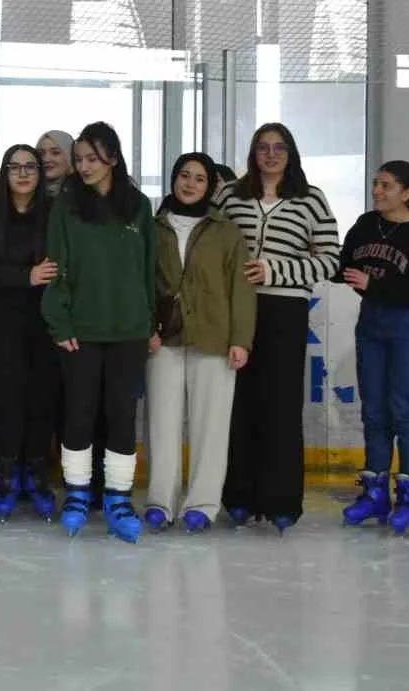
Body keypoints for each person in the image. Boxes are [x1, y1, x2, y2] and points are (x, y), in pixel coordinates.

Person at [216, 122, 339, 531]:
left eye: (279, 148)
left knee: (282, 405)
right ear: (253, 153)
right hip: (239, 311)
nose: (271, 154)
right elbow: (212, 245)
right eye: (263, 147)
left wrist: (276, 269)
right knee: (241, 403)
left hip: (286, 311)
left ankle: (281, 499)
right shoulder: (231, 195)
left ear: (291, 153)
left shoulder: (311, 200)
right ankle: (238, 496)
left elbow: (330, 260)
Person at [43, 121, 156, 543]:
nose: (84, 166)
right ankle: (76, 493)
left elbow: (147, 272)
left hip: (128, 330)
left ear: (113, 157)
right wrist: (61, 322)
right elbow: (55, 269)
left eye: (93, 158)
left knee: (122, 415)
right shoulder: (67, 207)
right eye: (79, 160)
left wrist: (147, 324)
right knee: (80, 413)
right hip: (80, 332)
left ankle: (118, 497)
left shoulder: (139, 207)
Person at [145, 152, 254, 534]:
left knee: (211, 425)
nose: (190, 183)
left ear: (211, 186)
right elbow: (141, 281)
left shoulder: (225, 231)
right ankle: (160, 501)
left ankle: (203, 504)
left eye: (200, 178)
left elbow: (240, 288)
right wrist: (146, 326)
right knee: (162, 422)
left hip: (214, 338)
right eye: (184, 175)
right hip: (164, 338)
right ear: (173, 179)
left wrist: (241, 339)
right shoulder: (152, 227)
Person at [338, 161, 409, 535]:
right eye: (376, 183)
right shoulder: (366, 224)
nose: (378, 190)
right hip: (372, 322)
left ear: (408, 193)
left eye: (387, 185)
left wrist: (374, 285)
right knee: (374, 411)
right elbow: (345, 265)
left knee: (406, 412)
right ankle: (374, 492)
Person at [0, 145, 60, 522]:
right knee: (7, 399)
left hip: (45, 321)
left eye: (30, 167)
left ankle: (37, 476)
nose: (23, 174)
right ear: (4, 174)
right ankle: (7, 476)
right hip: (2, 321)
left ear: (40, 174)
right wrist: (26, 276)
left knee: (41, 400)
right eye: (15, 167)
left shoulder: (55, 215)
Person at [38, 130, 74, 198]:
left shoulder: (84, 195)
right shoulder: (26, 194)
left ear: (70, 157)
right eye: (41, 154)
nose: (46, 159)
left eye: (55, 153)